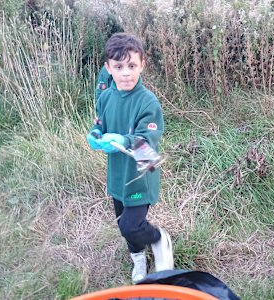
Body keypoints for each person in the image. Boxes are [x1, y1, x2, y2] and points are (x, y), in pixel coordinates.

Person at [86, 32, 174, 284]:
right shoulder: (105, 97)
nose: (126, 73)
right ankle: (138, 259)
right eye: (119, 67)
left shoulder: (148, 102)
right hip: (118, 173)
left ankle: (159, 239)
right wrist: (96, 134)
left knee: (130, 225)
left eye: (132, 66)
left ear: (142, 65)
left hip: (141, 172)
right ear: (108, 68)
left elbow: (148, 139)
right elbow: (100, 122)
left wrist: (123, 140)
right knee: (121, 222)